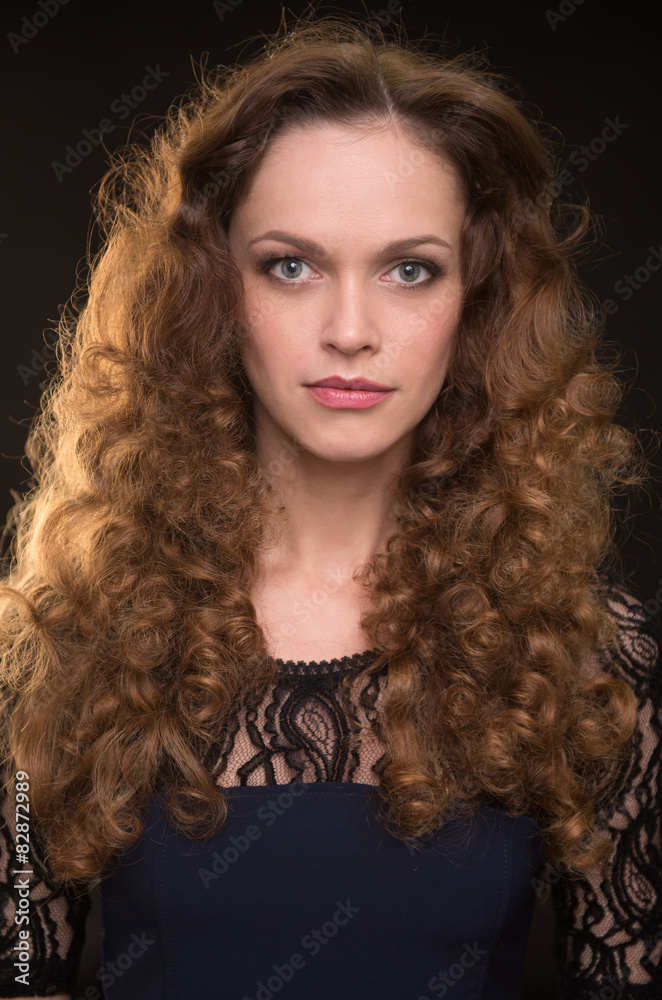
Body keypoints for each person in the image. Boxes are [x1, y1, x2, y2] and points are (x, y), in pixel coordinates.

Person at [1, 12, 660, 1000]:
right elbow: (19, 976)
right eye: (291, 265)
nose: (349, 329)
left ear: (472, 299)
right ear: (212, 289)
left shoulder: (584, 655)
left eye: (408, 269)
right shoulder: (53, 644)